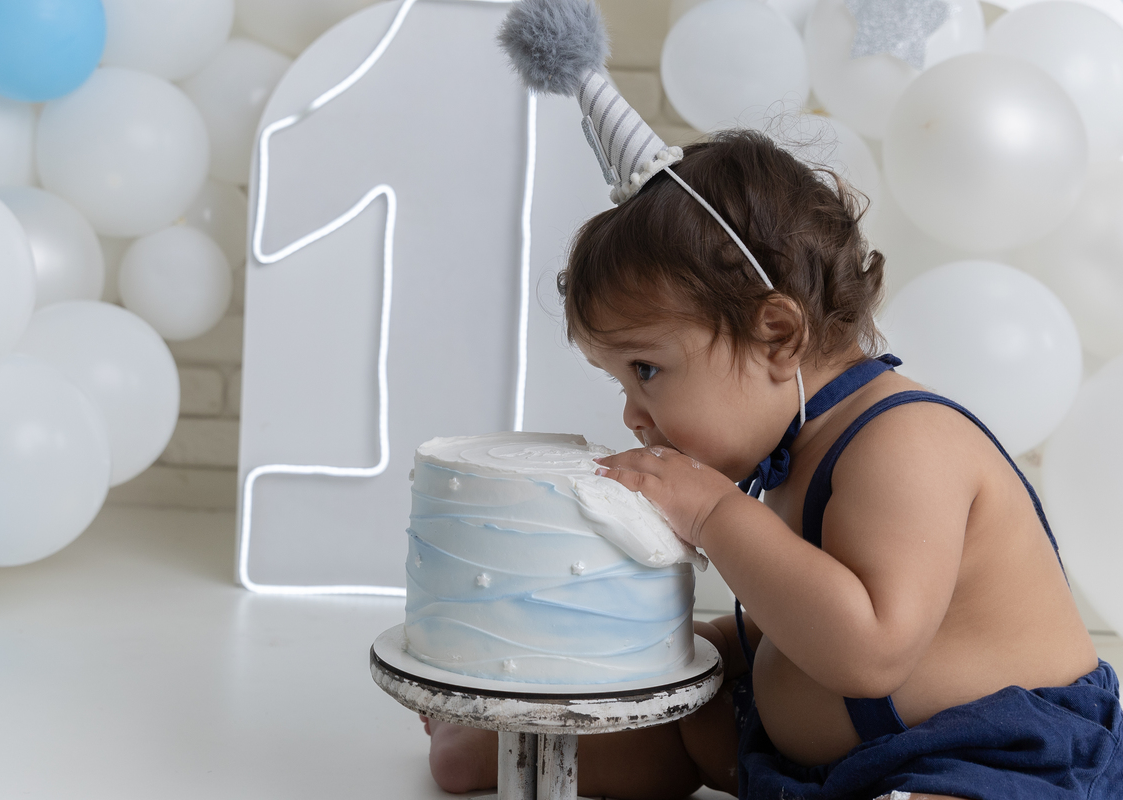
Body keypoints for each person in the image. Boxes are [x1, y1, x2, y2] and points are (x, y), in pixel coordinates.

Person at [421, 129, 1121, 800]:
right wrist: (667, 647)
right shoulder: (788, 451)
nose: (633, 414)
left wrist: (714, 512)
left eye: (647, 369)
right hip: (826, 762)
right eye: (622, 384)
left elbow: (869, 650)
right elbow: (785, 620)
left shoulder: (906, 442)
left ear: (777, 336)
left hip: (991, 760)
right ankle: (510, 747)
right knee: (680, 715)